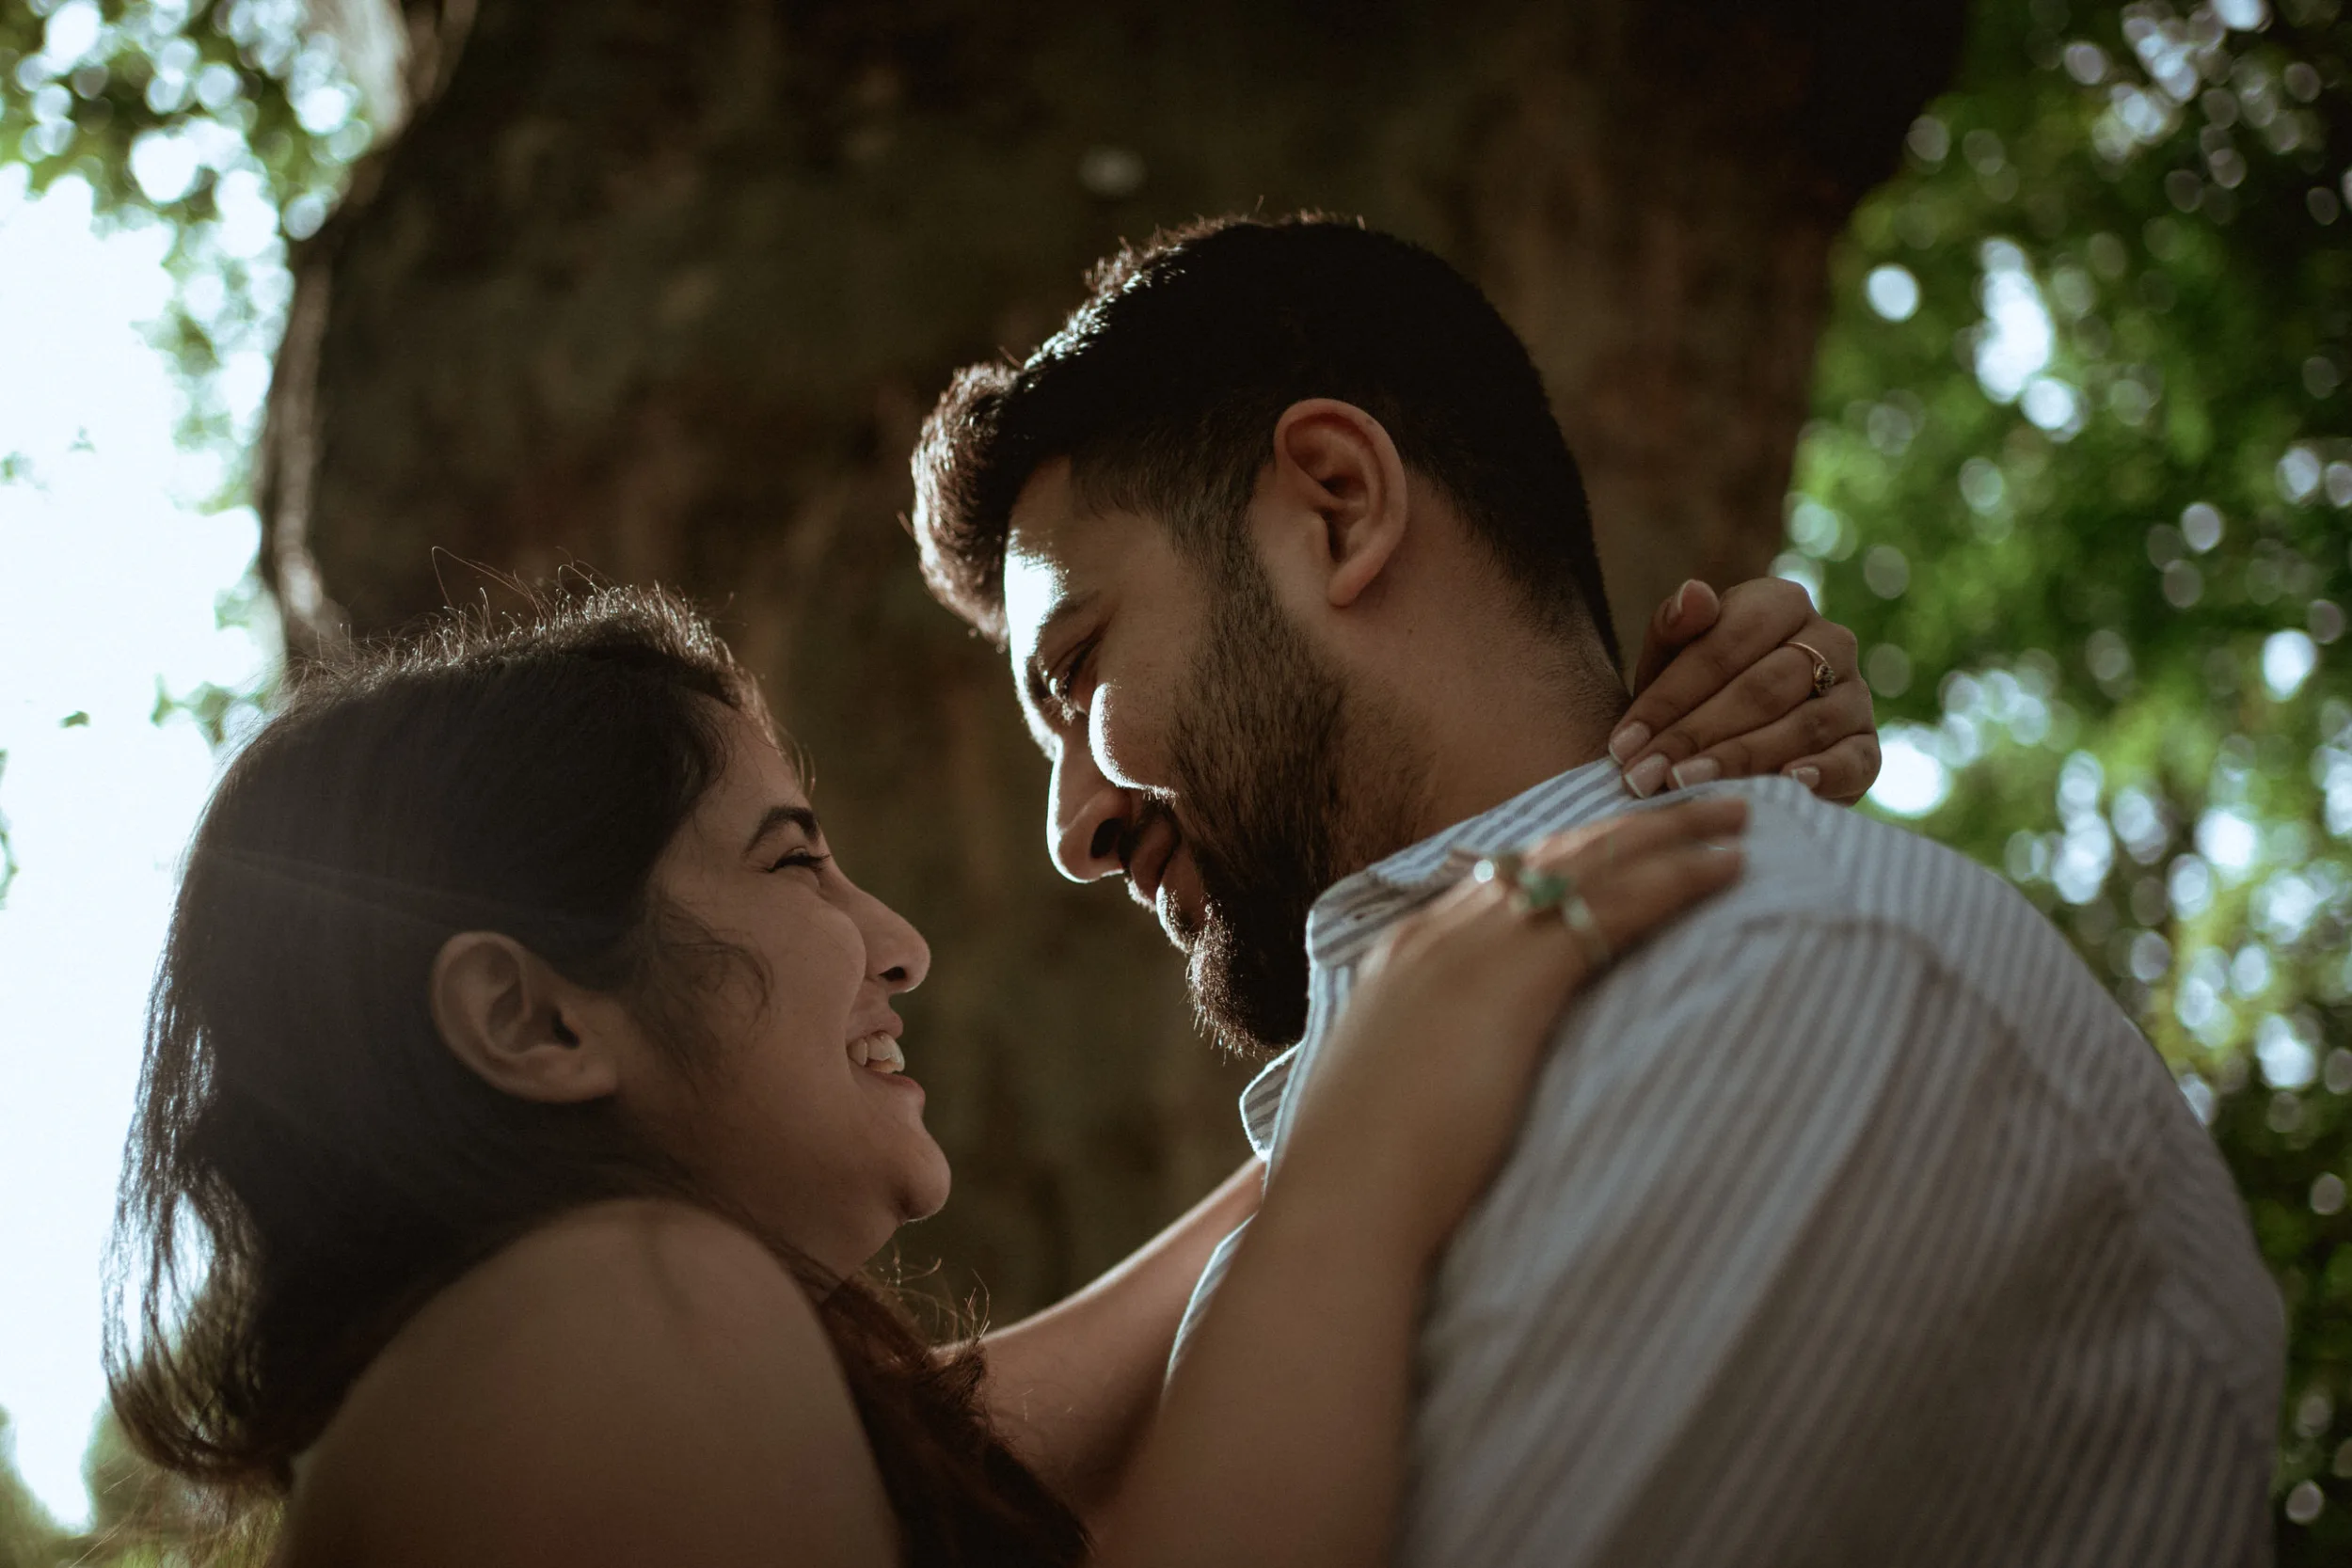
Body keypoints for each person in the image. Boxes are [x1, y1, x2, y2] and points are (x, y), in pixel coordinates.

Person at [911, 214, 2285, 1565]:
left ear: (1338, 506)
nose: (1070, 829)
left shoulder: (1772, 983)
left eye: (1080, 669)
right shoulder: (1420, 1116)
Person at [108, 583, 1849, 1565]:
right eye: (792, 860)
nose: (900, 942)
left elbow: (1047, 1403)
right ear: (535, 1021)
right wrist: (1378, 1153)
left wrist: (1587, 835)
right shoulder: (601, 1312)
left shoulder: (620, 1363)